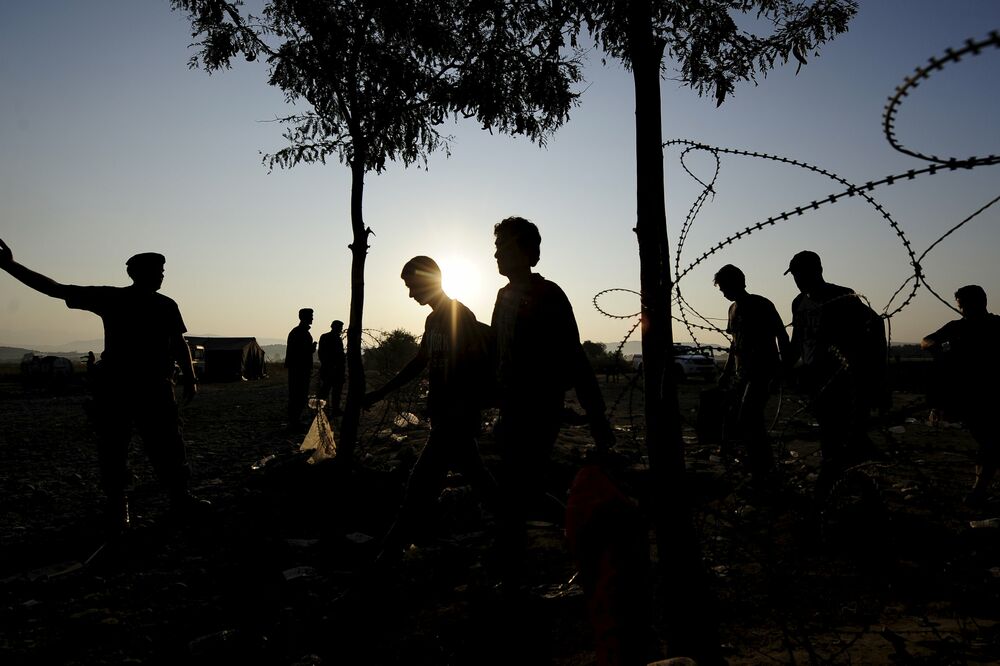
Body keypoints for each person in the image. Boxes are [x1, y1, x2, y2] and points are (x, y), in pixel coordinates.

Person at [0, 238, 205, 535]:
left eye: (163, 270)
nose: (162, 275)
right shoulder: (116, 299)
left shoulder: (163, 304)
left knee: (164, 445)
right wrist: (11, 265)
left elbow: (178, 342)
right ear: (138, 273)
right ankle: (121, 505)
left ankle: (175, 499)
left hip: (148, 386)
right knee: (119, 446)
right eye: (157, 270)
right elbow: (56, 290)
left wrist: (190, 376)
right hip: (122, 386)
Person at [491, 216, 615, 593]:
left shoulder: (549, 295)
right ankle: (514, 571)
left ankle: (589, 547)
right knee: (515, 490)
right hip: (512, 407)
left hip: (539, 407)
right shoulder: (503, 297)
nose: (496, 255)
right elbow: (498, 352)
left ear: (528, 252)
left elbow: (574, 357)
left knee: (518, 490)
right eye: (496, 248)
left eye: (504, 247)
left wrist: (597, 418)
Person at [365, 256, 496, 561]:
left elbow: (474, 365)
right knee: (479, 481)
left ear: (429, 280)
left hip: (456, 419)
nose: (411, 294)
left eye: (412, 286)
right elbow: (420, 362)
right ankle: (526, 525)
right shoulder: (433, 319)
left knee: (418, 487)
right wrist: (381, 392)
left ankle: (388, 554)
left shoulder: (459, 314)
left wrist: (464, 408)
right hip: (446, 418)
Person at [784, 250, 886, 488]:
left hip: (840, 376)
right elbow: (797, 339)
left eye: (801, 274)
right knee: (833, 430)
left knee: (836, 432)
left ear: (817, 271)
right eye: (795, 276)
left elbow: (875, 323)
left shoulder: (840, 296)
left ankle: (834, 480)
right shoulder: (798, 302)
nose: (798, 280)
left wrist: (874, 372)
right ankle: (849, 475)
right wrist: (785, 368)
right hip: (814, 376)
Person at [921, 285, 1000, 507]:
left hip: (991, 394)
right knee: (988, 442)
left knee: (989, 442)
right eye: (961, 305)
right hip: (970, 396)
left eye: (965, 304)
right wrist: (940, 346)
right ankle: (980, 489)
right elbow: (926, 340)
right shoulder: (957, 328)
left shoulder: (996, 325)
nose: (963, 309)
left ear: (982, 302)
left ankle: (979, 490)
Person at [714, 264, 790, 480]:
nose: (723, 292)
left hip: (762, 371)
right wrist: (727, 372)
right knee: (739, 418)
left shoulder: (761, 305)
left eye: (724, 287)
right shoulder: (732, 309)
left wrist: (782, 369)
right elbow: (734, 343)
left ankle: (763, 468)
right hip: (742, 373)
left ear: (737, 282)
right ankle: (754, 464)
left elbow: (781, 336)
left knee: (749, 417)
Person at [285, 307, 316, 431]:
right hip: (300, 369)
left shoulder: (298, 332)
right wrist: (311, 349)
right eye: (311, 315)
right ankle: (294, 422)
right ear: (304, 317)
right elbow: (300, 352)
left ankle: (294, 421)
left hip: (298, 368)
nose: (313, 318)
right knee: (298, 395)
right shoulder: (300, 332)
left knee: (298, 395)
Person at [317, 320, 346, 415]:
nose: (341, 330)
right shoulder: (336, 339)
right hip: (333, 369)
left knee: (326, 390)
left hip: (329, 369)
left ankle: (320, 409)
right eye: (340, 328)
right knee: (333, 391)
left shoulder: (325, 337)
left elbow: (321, 354)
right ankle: (333, 409)